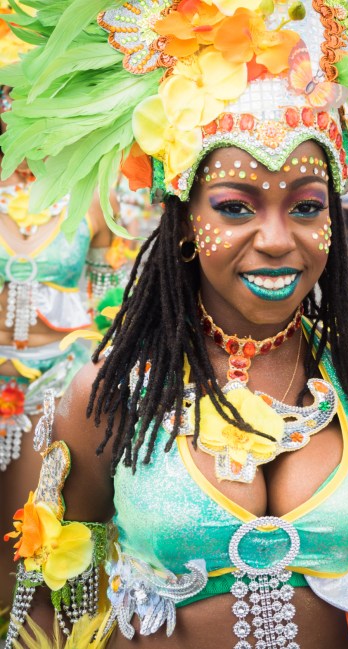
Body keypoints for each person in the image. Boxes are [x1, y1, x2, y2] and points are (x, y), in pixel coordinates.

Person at [1, 1, 348, 646]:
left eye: (307, 206)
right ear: (182, 223)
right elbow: (46, 603)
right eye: (235, 207)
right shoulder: (110, 393)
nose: (279, 239)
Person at [0, 25, 126, 610]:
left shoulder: (92, 195)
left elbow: (108, 305)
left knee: (36, 530)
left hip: (53, 385)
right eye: (13, 103)